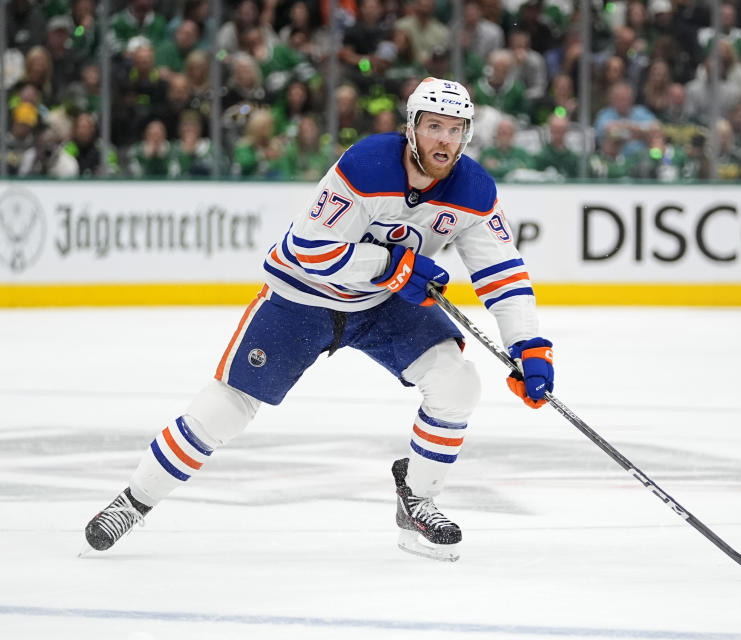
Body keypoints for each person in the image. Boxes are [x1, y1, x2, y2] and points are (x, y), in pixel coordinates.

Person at [83, 77, 555, 562]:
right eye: (434, 126)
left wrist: (528, 343)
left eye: (456, 130)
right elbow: (307, 249)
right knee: (228, 407)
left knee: (458, 382)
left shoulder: (473, 189)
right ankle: (133, 502)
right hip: (303, 298)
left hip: (380, 305)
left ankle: (418, 499)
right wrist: (392, 266)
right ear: (411, 127)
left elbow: (501, 271)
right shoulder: (367, 165)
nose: (445, 140)